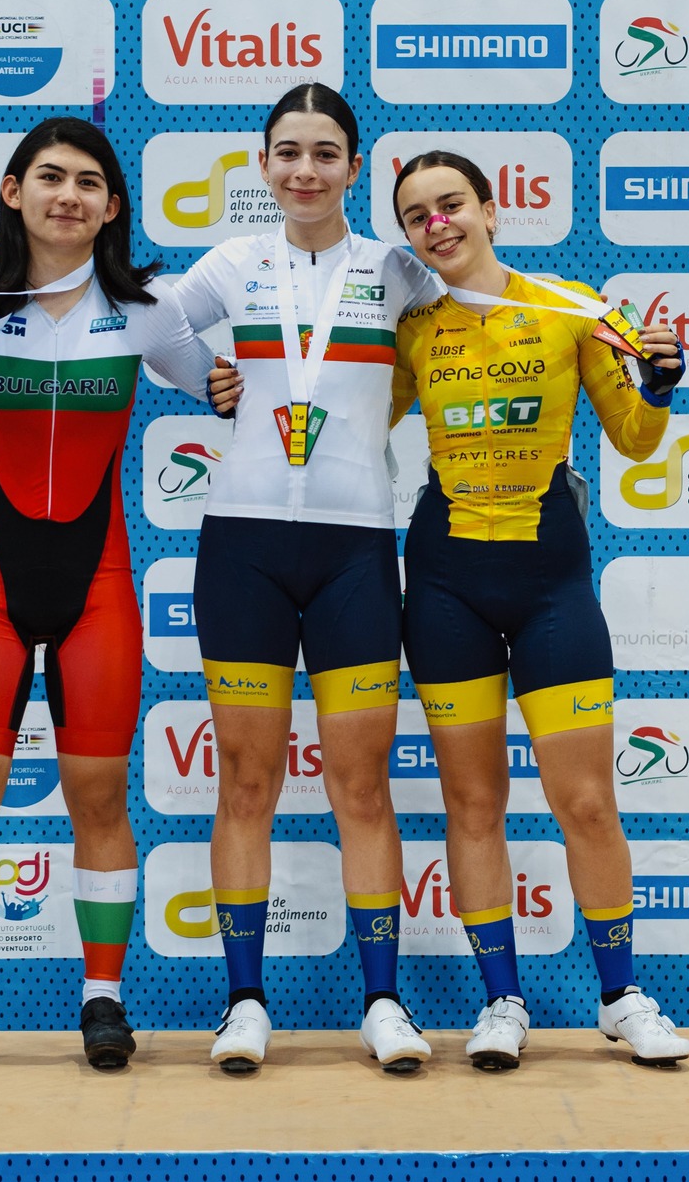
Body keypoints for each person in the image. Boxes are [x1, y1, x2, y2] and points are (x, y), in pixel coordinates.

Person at [0, 118, 221, 1074]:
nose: (70, 195)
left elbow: (225, 390)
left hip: (97, 587)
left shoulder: (143, 310)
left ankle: (102, 999)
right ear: (12, 189)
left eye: (90, 183)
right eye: (51, 177)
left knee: (99, 796)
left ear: (111, 206)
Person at [387, 150, 689, 1071]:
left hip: (552, 585)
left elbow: (636, 440)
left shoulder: (573, 309)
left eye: (451, 206)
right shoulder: (411, 328)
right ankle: (501, 1003)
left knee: (588, 802)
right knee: (473, 804)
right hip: (443, 584)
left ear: (491, 208)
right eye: (415, 216)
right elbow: (352, 428)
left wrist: (664, 382)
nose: (436, 225)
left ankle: (620, 996)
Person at [177, 83, 437, 1073]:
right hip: (242, 547)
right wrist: (198, 377)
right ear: (262, 163)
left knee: (360, 784)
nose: (303, 171)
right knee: (245, 779)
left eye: (324, 153)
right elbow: (138, 321)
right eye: (286, 152)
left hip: (355, 551)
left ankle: (383, 1003)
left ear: (354, 167)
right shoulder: (233, 262)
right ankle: (242, 1004)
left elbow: (495, 301)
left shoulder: (397, 267)